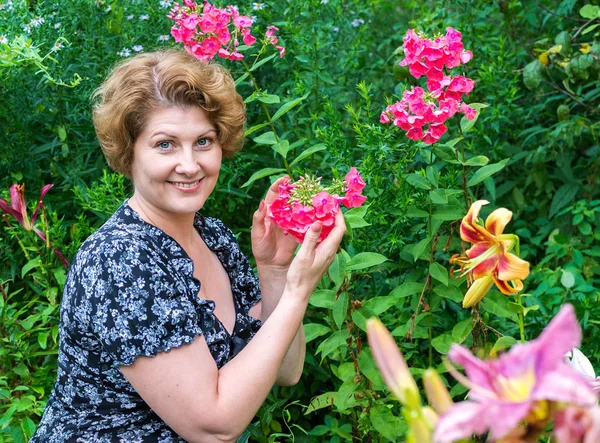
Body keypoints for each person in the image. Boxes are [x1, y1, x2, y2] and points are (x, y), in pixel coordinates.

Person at [30, 49, 345, 442]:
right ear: (130, 154)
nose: (190, 164)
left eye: (203, 141)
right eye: (165, 144)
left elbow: (286, 370)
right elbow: (214, 427)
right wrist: (300, 291)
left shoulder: (212, 236)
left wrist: (277, 272)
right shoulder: (119, 260)